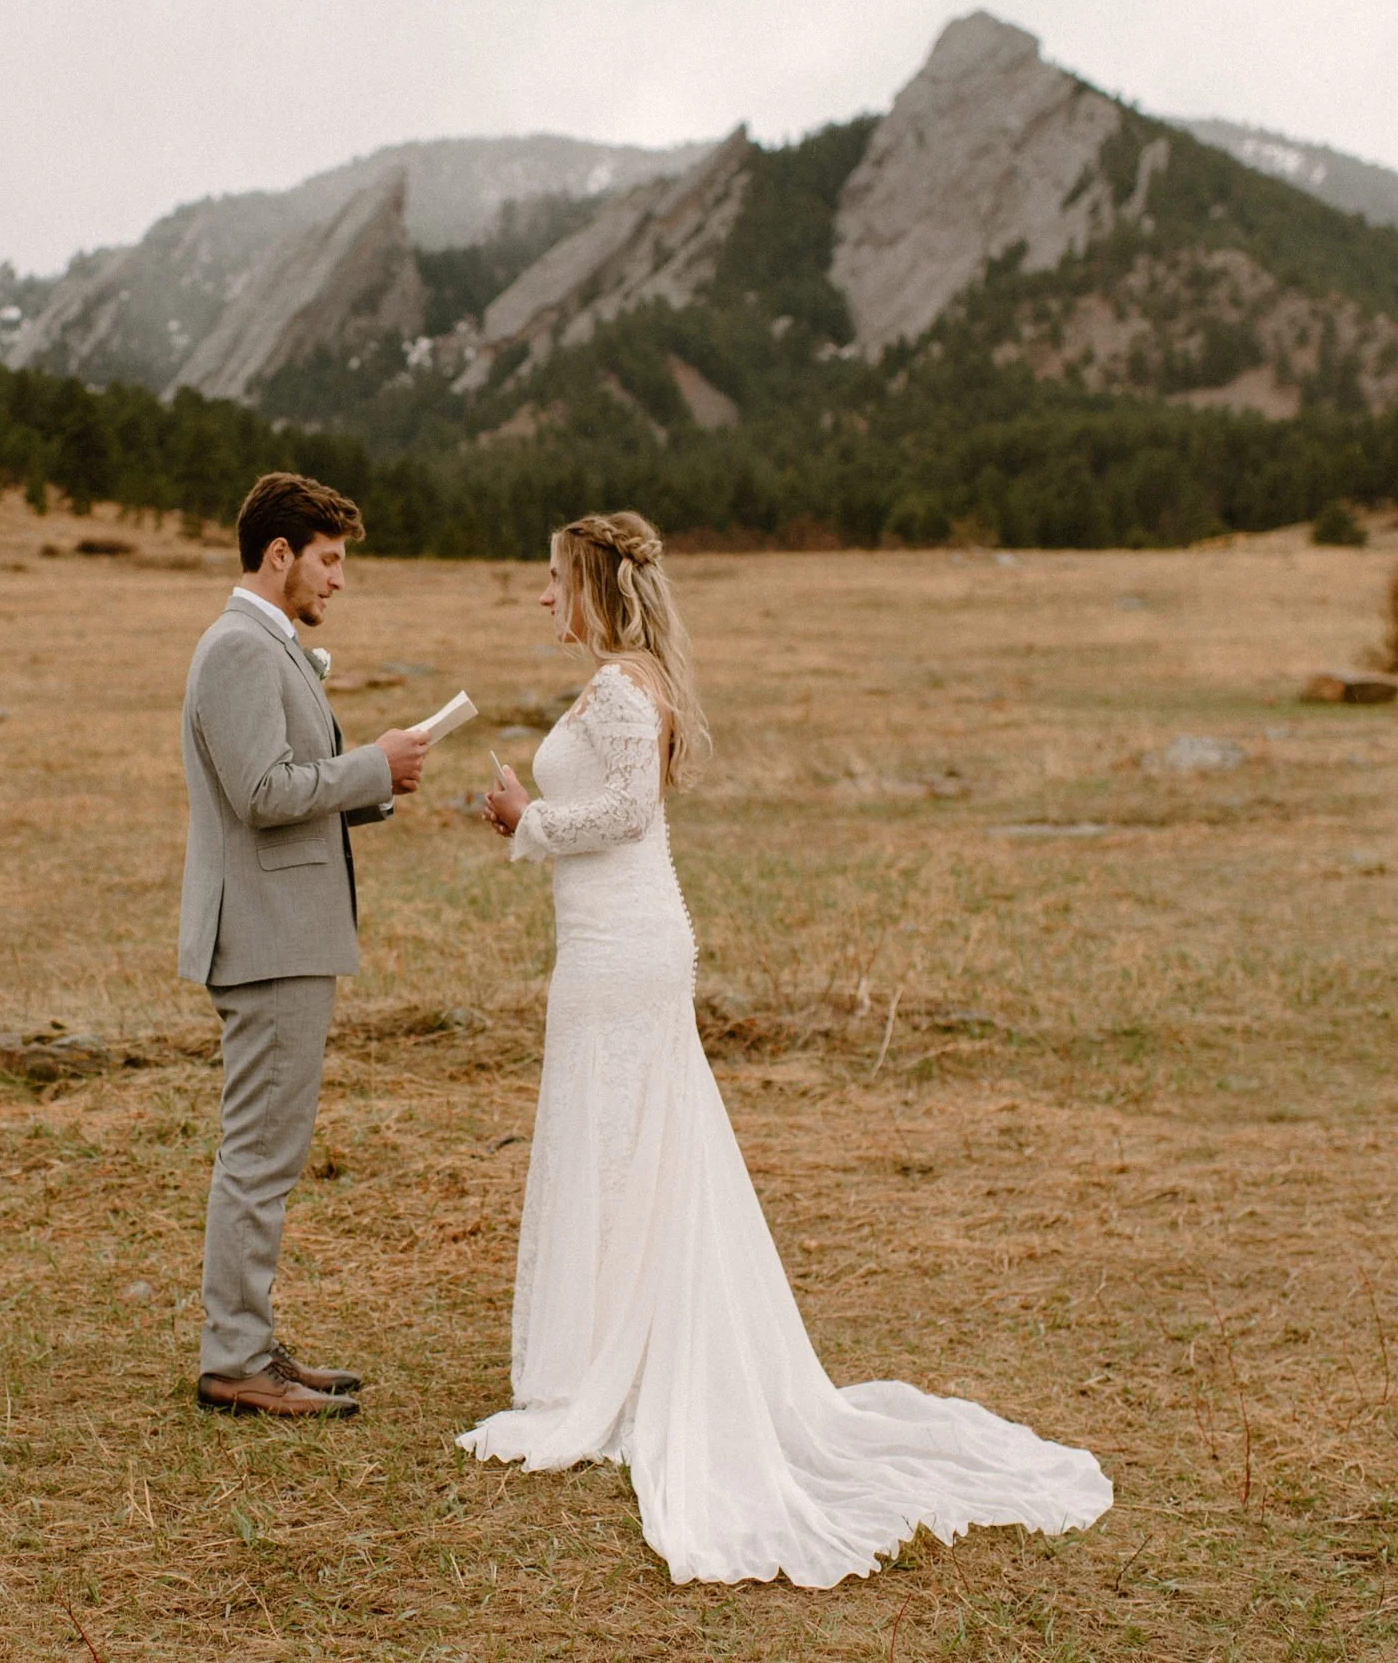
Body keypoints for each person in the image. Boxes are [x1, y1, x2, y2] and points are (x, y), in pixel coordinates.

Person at [462, 511, 1112, 1585]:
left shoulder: (623, 687)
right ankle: (607, 1346)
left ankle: (617, 1364)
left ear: (594, 587)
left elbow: (627, 810)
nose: (541, 598)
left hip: (623, 948)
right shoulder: (625, 678)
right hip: (609, 940)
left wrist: (525, 817)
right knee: (618, 1141)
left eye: (551, 579)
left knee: (623, 1137)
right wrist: (531, 821)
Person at [179, 472, 428, 1418]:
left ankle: (251, 1344)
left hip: (279, 931)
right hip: (265, 936)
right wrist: (372, 761)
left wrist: (375, 776)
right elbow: (263, 793)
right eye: (328, 560)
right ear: (278, 555)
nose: (338, 580)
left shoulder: (260, 644)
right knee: (258, 1154)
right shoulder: (240, 648)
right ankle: (236, 1357)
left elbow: (286, 781)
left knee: (268, 1151)